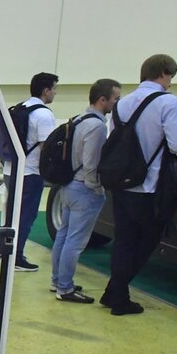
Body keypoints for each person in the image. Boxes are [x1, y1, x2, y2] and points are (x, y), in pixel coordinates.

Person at [101, 55, 177, 315]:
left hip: (121, 181)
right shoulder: (168, 102)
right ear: (163, 73)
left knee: (124, 240)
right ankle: (117, 294)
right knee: (147, 241)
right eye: (170, 76)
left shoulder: (123, 103)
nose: (170, 82)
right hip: (149, 185)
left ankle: (115, 294)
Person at [49, 78, 121, 303]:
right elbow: (91, 164)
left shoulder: (79, 119)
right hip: (84, 189)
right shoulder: (97, 127)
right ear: (103, 100)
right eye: (115, 99)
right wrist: (97, 188)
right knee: (76, 241)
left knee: (63, 236)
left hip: (69, 185)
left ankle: (57, 280)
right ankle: (65, 288)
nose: (117, 104)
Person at [12, 72, 59, 271]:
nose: (55, 93)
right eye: (54, 89)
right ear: (46, 90)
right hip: (31, 172)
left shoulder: (20, 108)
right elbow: (45, 148)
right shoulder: (44, 115)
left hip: (12, 169)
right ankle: (16, 256)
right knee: (26, 216)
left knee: (13, 214)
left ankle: (8, 252)